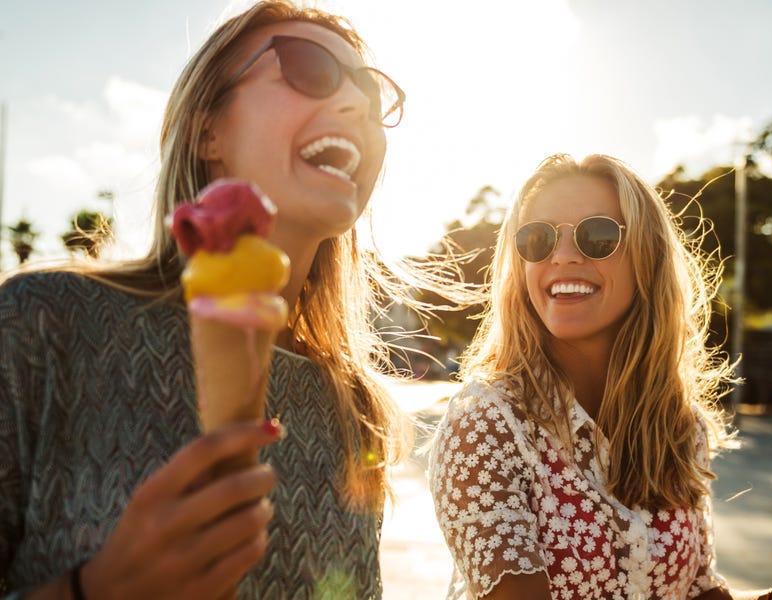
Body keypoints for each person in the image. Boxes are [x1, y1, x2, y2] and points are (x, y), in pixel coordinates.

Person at [0, 2, 454, 598]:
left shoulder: (352, 403)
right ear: (206, 128)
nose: (357, 105)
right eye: (308, 69)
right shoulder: (44, 320)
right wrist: (96, 589)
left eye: (372, 93)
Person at [428, 153, 772, 599]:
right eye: (538, 239)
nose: (562, 257)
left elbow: (697, 593)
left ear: (648, 258)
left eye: (598, 235)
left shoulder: (680, 426)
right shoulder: (487, 422)